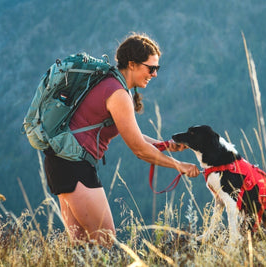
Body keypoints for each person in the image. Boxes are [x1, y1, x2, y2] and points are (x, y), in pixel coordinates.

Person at [44, 33, 200, 247]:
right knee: (105, 239)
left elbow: (132, 133)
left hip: (61, 162)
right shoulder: (117, 94)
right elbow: (139, 149)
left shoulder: (111, 84)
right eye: (151, 68)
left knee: (81, 247)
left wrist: (165, 145)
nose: (154, 74)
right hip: (74, 167)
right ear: (133, 64)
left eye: (157, 69)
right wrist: (179, 166)